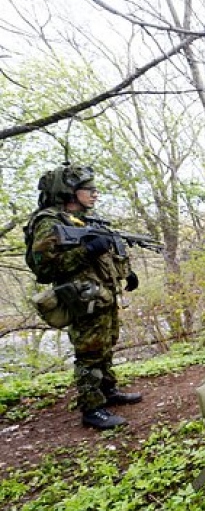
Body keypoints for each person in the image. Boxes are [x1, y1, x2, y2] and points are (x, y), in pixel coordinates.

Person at [24, 163, 143, 430]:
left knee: (106, 345)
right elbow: (44, 267)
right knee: (89, 353)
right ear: (69, 192)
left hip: (102, 294)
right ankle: (92, 408)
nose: (95, 194)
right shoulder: (49, 222)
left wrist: (127, 272)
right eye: (88, 189)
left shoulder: (87, 220)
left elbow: (106, 254)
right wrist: (86, 251)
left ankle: (107, 391)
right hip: (82, 298)